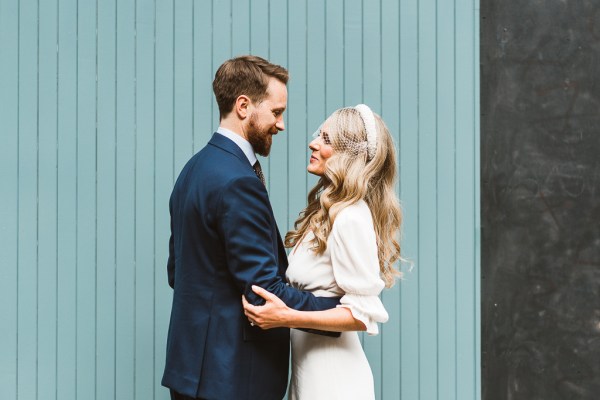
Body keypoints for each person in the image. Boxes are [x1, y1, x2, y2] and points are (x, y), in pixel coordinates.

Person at [161, 55, 340, 400]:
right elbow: (263, 291)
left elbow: (177, 272)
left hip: (191, 375)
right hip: (231, 378)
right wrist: (340, 310)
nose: (281, 124)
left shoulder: (192, 171)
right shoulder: (238, 181)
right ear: (243, 105)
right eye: (276, 112)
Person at [243, 104, 403, 400]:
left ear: (349, 155)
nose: (313, 142)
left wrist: (286, 316)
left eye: (326, 139)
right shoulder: (327, 212)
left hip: (335, 379)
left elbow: (361, 314)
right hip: (309, 372)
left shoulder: (350, 216)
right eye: (320, 135)